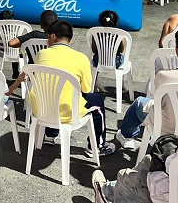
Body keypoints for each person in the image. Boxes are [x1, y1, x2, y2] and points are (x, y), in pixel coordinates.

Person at [13, 20, 115, 156]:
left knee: (51, 93)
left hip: (40, 109)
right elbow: (86, 90)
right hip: (67, 112)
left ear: (53, 36)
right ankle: (97, 146)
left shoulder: (41, 54)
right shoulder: (81, 58)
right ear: (71, 39)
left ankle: (49, 135)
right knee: (96, 100)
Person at [0, 9, 20, 79]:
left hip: (0, 53)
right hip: (13, 52)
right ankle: (15, 72)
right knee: (18, 50)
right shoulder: (15, 29)